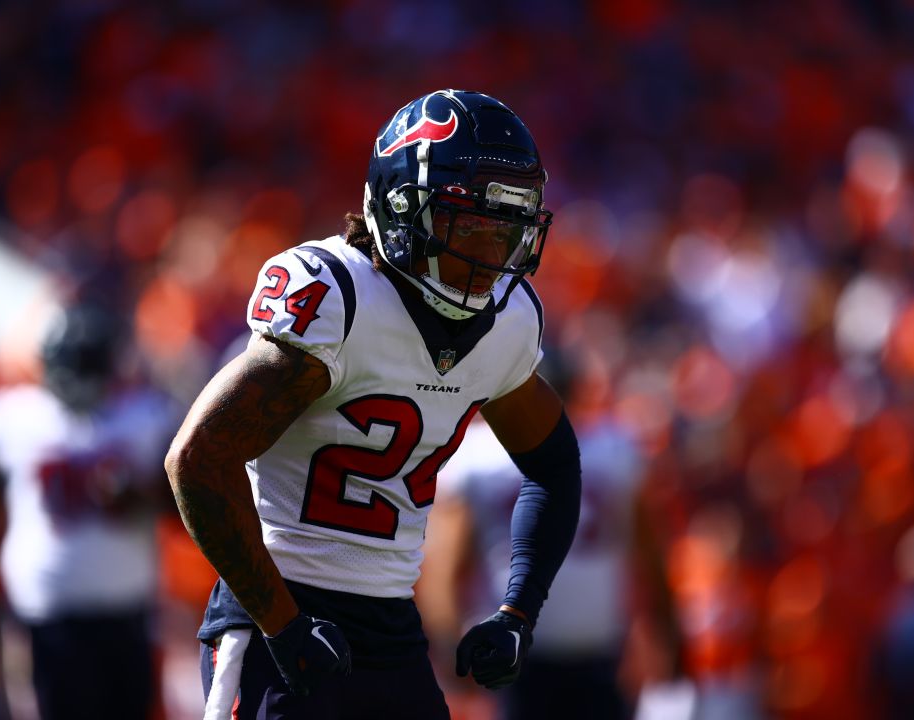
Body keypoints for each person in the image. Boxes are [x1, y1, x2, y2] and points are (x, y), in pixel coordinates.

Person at [165, 89, 582, 719]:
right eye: (466, 225)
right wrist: (283, 624)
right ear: (399, 207)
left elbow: (554, 467)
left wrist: (518, 612)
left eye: (504, 233)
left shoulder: (507, 324)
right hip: (278, 609)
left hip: (392, 626)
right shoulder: (338, 298)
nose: (487, 257)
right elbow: (196, 460)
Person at [0, 303, 176, 720]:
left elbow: (191, 505)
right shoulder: (12, 419)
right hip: (46, 620)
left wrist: (142, 497)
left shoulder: (146, 416)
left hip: (129, 617)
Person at [421, 353, 688, 720]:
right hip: (539, 650)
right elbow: (650, 556)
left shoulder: (480, 455)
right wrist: (669, 631)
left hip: (565, 650)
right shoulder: (614, 448)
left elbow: (443, 570)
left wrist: (453, 648)